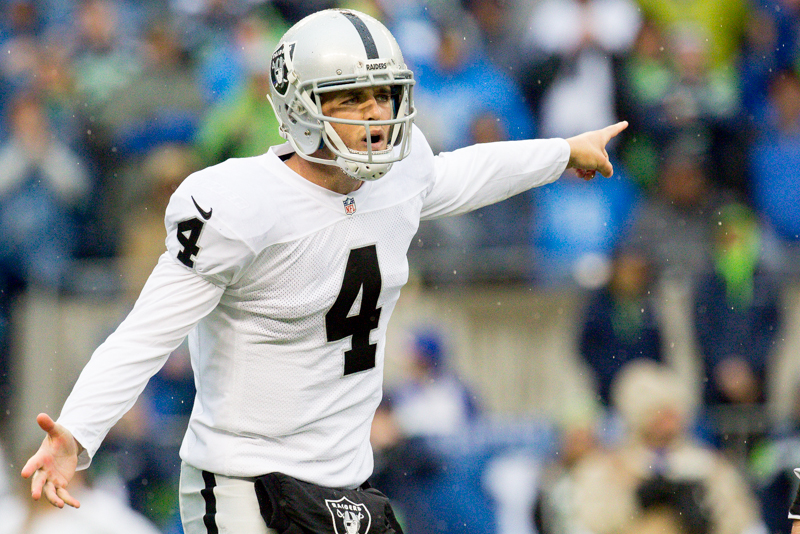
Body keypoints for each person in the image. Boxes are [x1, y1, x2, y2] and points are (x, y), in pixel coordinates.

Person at [21, 8, 627, 533]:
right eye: (350, 98)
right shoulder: (241, 204)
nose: (375, 113)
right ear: (300, 108)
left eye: (383, 95)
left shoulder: (401, 174)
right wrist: (78, 432)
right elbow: (145, 333)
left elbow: (460, 175)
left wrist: (561, 152)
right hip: (242, 481)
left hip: (346, 479)